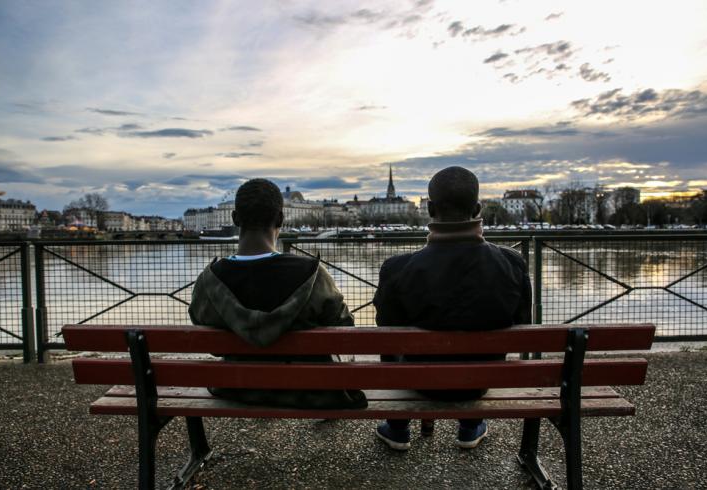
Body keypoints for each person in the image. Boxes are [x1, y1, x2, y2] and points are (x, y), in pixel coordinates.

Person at [372, 166, 532, 450]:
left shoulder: (397, 269)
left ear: (430, 210)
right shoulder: (513, 264)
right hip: (481, 381)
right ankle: (470, 426)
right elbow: (522, 327)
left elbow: (387, 338)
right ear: (478, 209)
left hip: (418, 380)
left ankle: (397, 426)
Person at [188, 178, 366, 409]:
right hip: (309, 389)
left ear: (235, 219)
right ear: (281, 219)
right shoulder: (312, 274)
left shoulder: (209, 280)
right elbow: (344, 333)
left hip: (236, 388)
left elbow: (209, 342)